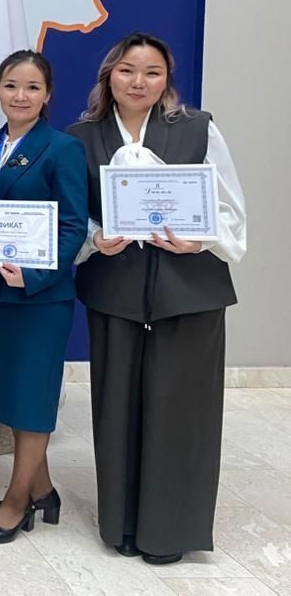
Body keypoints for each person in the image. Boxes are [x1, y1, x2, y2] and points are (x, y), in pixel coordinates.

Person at [68, 32, 246, 565]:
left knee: (181, 413)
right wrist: (95, 239)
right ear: (109, 76)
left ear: (167, 79)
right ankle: (121, 525)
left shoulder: (198, 128)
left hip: (189, 295)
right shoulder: (82, 136)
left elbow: (229, 208)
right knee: (116, 410)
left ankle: (169, 532)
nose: (138, 82)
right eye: (127, 70)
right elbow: (74, 216)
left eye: (152, 72)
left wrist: (199, 240)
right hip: (117, 293)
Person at [0, 51, 86, 543]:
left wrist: (35, 275)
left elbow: (74, 226)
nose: (21, 95)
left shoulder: (63, 148)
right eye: (11, 85)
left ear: (47, 95)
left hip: (40, 297)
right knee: (13, 394)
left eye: (32, 87)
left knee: (34, 397)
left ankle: (16, 503)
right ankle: (44, 490)